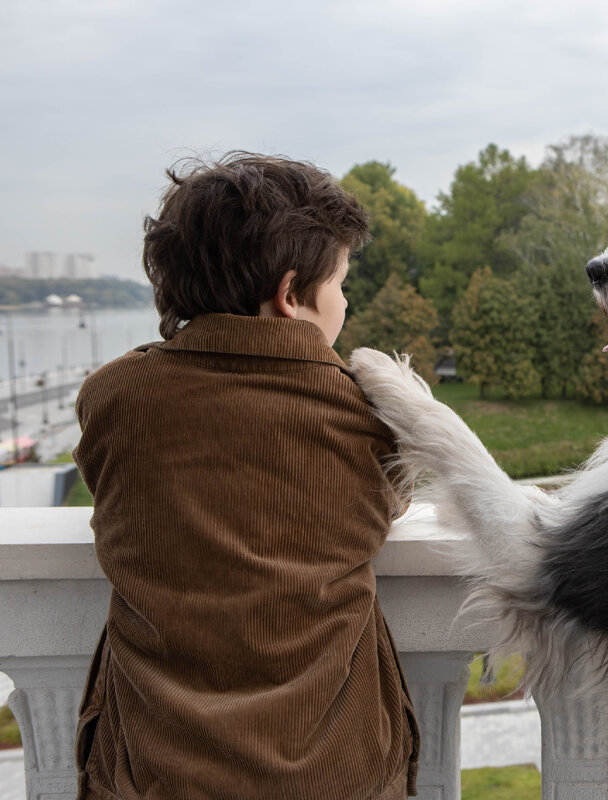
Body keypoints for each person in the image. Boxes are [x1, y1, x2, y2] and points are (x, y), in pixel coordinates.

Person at [72, 152, 419, 799]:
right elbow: (389, 497)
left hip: (151, 771)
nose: (345, 301)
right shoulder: (359, 416)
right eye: (341, 284)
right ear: (291, 295)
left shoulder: (114, 400)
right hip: (335, 769)